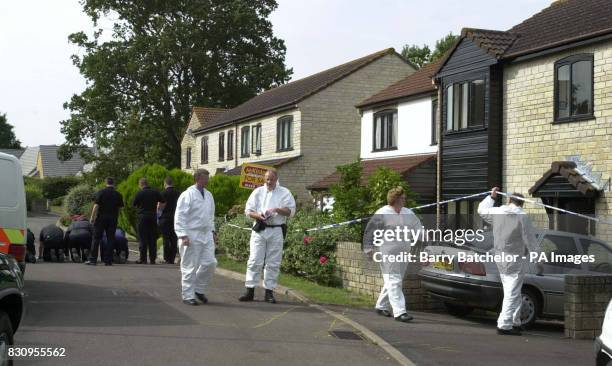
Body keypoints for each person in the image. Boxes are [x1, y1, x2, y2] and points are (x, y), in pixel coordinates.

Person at [478, 187, 539, 336]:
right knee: (512, 291)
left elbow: (481, 209)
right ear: (522, 204)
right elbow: (530, 239)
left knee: (513, 290)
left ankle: (515, 321)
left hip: (500, 257)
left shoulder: (498, 212)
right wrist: (537, 257)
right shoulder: (522, 217)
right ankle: (504, 324)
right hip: (515, 259)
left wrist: (491, 196)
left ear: (509, 200)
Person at [363, 186, 421, 323]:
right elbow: (370, 231)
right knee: (394, 280)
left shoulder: (408, 213)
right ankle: (400, 312)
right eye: (402, 197)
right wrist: (368, 248)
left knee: (395, 279)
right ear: (395, 199)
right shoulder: (382, 212)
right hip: (387, 252)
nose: (405, 199)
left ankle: (381, 305)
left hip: (404, 251)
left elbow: (418, 227)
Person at [239, 169, 295, 304]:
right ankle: (250, 290)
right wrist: (259, 216)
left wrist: (276, 209)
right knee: (254, 260)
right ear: (264, 179)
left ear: (276, 179)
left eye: (271, 179)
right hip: (260, 228)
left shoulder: (285, 192)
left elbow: (290, 211)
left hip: (276, 230)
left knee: (273, 262)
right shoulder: (257, 192)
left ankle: (269, 292)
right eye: (267, 179)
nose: (269, 182)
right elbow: (248, 211)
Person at [174, 169, 217, 306]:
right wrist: (182, 235)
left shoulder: (209, 195)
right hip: (191, 234)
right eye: (206, 178)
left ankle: (198, 289)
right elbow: (180, 216)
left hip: (206, 233)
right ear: (198, 178)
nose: (208, 180)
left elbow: (211, 215)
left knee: (210, 263)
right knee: (189, 266)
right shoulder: (187, 195)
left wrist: (213, 232)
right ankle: (187, 295)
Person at [86, 177, 124, 266]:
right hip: (112, 219)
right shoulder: (118, 194)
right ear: (113, 183)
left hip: (101, 219)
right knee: (110, 239)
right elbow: (121, 208)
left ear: (105, 183)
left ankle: (93, 260)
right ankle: (108, 260)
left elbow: (96, 206)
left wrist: (92, 217)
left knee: (96, 239)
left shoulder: (101, 192)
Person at [132, 178, 164, 264]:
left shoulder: (139, 193)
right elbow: (163, 201)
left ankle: (143, 259)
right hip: (153, 216)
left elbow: (134, 204)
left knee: (143, 238)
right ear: (147, 183)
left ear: (141, 184)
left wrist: (140, 207)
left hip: (142, 217)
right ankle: (152, 259)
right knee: (152, 239)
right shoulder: (155, 192)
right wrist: (159, 210)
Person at [158, 177, 180, 264]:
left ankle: (166, 258)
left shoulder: (163, 193)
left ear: (165, 184)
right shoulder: (178, 193)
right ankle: (172, 258)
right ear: (172, 183)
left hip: (165, 217)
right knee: (174, 238)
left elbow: (160, 206)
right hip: (175, 218)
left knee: (166, 238)